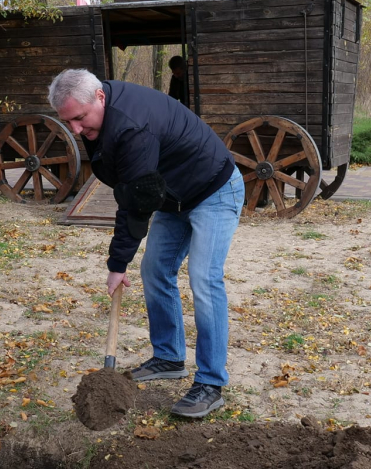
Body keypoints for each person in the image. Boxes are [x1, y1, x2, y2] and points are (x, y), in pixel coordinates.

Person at [48, 68, 244, 419]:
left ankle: (211, 384)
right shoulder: (102, 120)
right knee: (155, 271)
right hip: (172, 197)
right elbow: (129, 191)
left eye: (79, 119)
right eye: (69, 122)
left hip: (213, 189)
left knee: (204, 279)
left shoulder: (130, 125)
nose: (76, 130)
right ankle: (169, 357)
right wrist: (120, 262)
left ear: (100, 97)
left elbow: (136, 202)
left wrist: (117, 263)